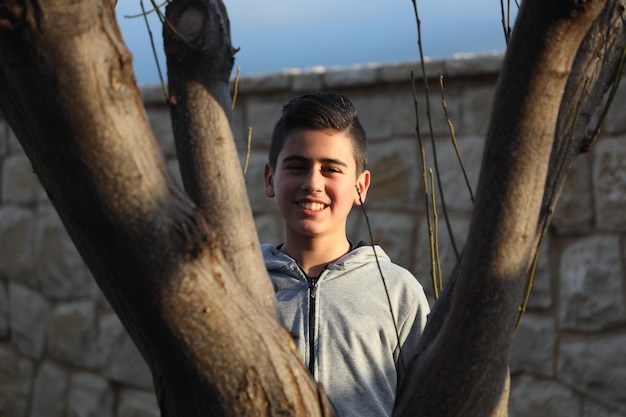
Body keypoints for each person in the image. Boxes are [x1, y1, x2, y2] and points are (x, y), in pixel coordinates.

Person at [262, 92, 430, 417]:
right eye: (297, 166)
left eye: (331, 169)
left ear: (360, 187)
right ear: (270, 179)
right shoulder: (242, 283)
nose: (313, 183)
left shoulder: (397, 292)